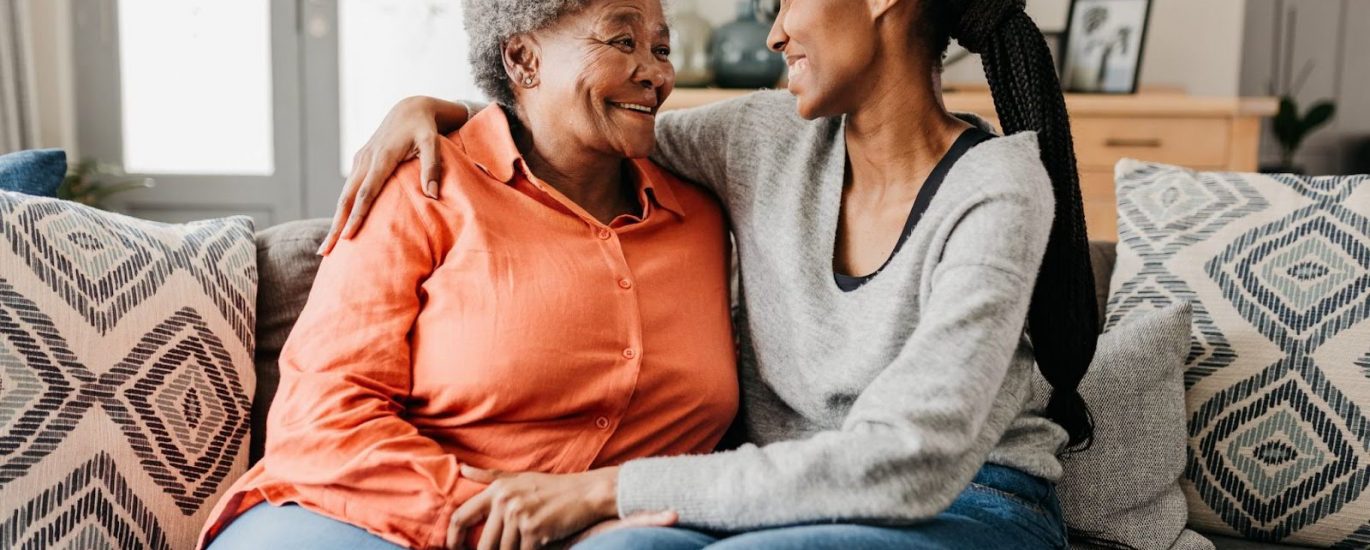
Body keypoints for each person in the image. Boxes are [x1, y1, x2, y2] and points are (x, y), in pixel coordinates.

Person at [325, 0, 1102, 548]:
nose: (774, 34)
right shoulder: (761, 139)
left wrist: (604, 490)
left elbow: (909, 459)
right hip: (786, 509)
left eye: (786, 1)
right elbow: (584, 118)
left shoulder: (999, 188)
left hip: (970, 505)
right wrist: (437, 108)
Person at [199, 0, 740, 548]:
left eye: (661, 49)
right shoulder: (422, 187)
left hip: (625, 535)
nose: (656, 73)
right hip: (362, 515)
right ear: (523, 58)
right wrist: (504, 515)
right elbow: (322, 420)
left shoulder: (703, 216)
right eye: (623, 42)